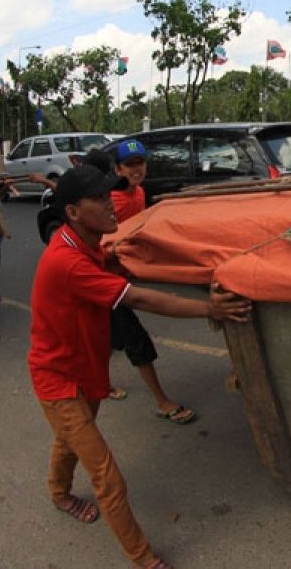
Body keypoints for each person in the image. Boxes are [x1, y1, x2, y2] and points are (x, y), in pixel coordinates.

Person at [28, 164, 252, 569]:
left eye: (109, 194)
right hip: (57, 378)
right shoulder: (68, 262)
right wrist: (209, 307)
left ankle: (58, 493)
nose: (111, 202)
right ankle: (143, 558)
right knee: (108, 479)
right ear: (73, 212)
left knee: (67, 441)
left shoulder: (86, 241)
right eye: (99, 199)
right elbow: (139, 299)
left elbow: (123, 258)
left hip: (84, 368)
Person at [107, 139, 197, 424]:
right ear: (118, 169)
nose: (136, 169)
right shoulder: (109, 199)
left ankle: (99, 382)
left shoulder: (140, 193)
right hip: (104, 281)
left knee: (109, 337)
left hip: (122, 274)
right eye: (130, 165)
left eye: (140, 163)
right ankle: (161, 401)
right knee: (136, 340)